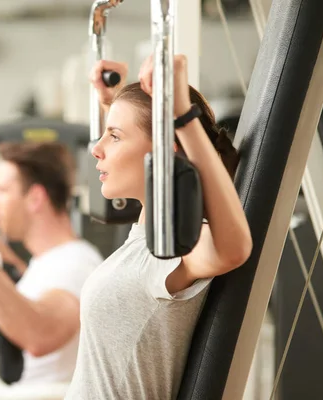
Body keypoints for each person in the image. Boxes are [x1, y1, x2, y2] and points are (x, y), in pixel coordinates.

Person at [64, 55, 253, 399]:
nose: (96, 149)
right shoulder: (147, 238)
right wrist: (117, 101)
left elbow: (233, 249)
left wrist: (181, 115)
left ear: (167, 151)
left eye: (114, 137)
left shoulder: (176, 245)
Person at [0, 141, 104, 393]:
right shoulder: (52, 260)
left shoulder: (76, 264)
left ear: (35, 199)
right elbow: (30, 293)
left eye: (1, 190)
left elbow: (41, 333)